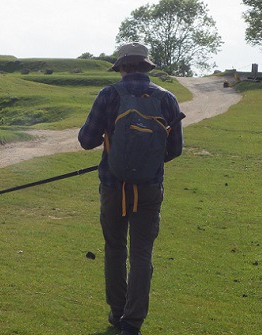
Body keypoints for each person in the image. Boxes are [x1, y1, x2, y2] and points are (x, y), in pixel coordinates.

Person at [78, 42, 184, 335]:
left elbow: (87, 140)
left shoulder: (109, 95)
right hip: (150, 188)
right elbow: (175, 148)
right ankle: (132, 323)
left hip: (113, 185)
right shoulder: (167, 99)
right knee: (141, 254)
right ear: (146, 67)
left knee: (115, 249)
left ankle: (117, 311)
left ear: (122, 67)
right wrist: (147, 159)